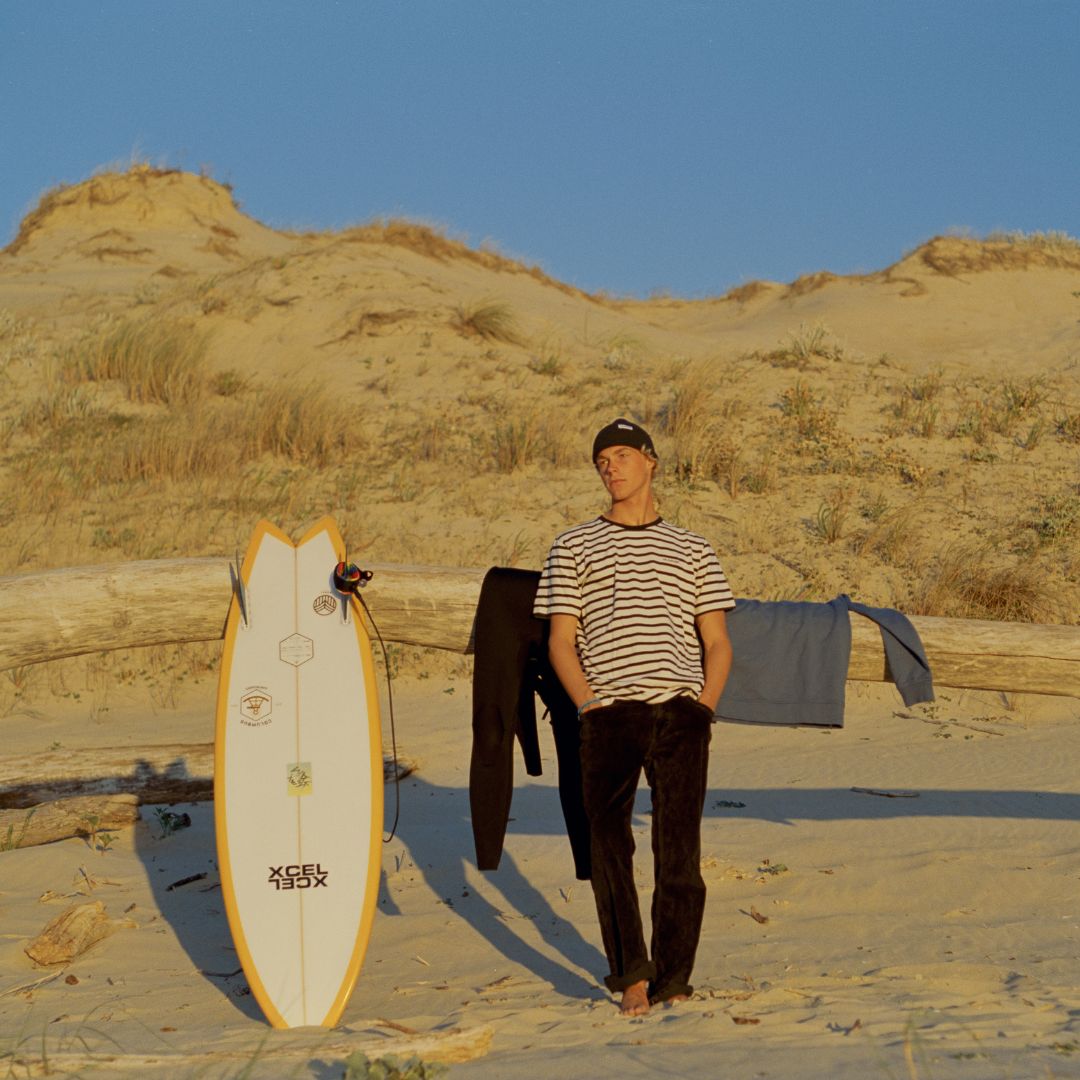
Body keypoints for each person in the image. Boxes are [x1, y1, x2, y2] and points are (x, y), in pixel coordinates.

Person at [533, 417, 736, 1016]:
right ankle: (631, 976)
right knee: (609, 848)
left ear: (650, 461)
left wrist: (703, 708)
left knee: (679, 852)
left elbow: (717, 641)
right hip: (609, 714)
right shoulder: (573, 545)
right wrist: (590, 706)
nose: (611, 467)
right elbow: (560, 643)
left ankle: (674, 976)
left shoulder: (694, 547)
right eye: (602, 460)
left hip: (680, 714)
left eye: (622, 455)